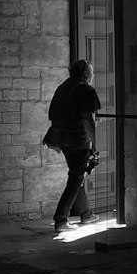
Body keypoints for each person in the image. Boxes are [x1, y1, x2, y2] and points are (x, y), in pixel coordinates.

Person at [45, 60, 100, 234]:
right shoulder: (87, 90)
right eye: (91, 71)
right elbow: (87, 120)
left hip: (63, 139)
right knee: (76, 178)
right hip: (78, 140)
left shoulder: (62, 87)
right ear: (85, 73)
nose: (92, 75)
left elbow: (53, 115)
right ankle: (61, 219)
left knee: (77, 175)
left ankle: (86, 214)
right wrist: (96, 142)